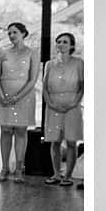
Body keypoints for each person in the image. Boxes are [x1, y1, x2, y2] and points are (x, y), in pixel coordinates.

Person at [0, 21, 39, 184]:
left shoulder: (32, 53)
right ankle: (4, 168)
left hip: (24, 97)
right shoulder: (3, 53)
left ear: (23, 34)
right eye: (9, 33)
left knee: (20, 131)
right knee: (5, 131)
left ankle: (19, 169)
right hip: (3, 96)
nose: (11, 36)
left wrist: (17, 97)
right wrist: (1, 95)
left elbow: (33, 79)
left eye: (14, 32)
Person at [42, 32, 84, 187]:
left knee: (71, 141)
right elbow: (45, 88)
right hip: (53, 105)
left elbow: (82, 87)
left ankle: (68, 176)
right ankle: (56, 174)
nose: (61, 44)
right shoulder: (49, 64)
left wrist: (73, 104)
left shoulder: (79, 63)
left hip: (72, 106)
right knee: (55, 141)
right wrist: (50, 104)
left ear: (71, 45)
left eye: (65, 42)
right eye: (58, 41)